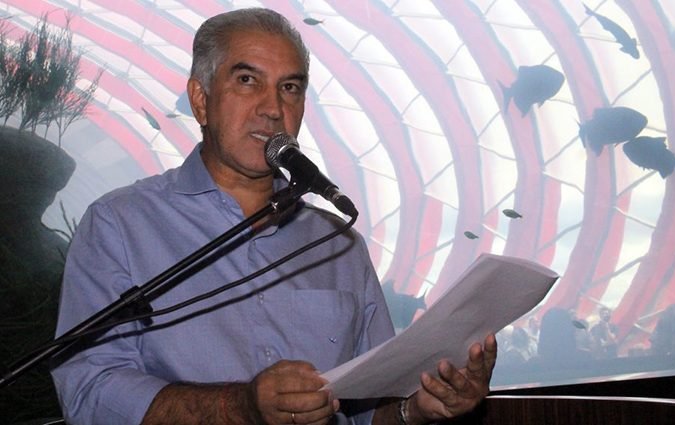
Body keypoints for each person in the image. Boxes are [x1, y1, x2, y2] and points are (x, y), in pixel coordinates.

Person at [50, 8, 497, 425]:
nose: (272, 108)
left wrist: (417, 408)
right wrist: (242, 406)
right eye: (248, 80)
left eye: (290, 88)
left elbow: (368, 407)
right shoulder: (119, 225)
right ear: (200, 100)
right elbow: (89, 391)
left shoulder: (338, 243)